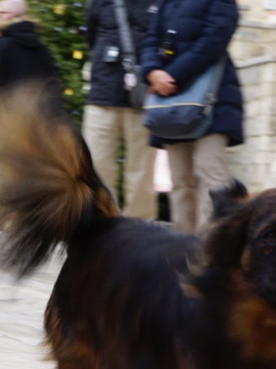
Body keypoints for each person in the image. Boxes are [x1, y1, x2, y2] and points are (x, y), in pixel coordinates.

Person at [140, 0, 243, 233]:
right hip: (172, 104)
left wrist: (172, 75)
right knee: (179, 181)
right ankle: (182, 248)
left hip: (211, 100)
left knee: (212, 177)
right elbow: (150, 40)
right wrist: (152, 72)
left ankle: (208, 249)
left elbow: (214, 39)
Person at [0, 0, 61, 235]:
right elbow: (52, 84)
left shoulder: (5, 44)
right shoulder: (41, 47)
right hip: (38, 121)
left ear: (11, 16)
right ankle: (35, 221)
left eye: (0, 13)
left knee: (7, 169)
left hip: (12, 120)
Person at [83, 0, 157, 219]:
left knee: (142, 172)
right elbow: (92, 35)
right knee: (96, 166)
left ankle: (140, 230)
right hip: (102, 95)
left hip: (142, 99)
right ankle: (101, 226)